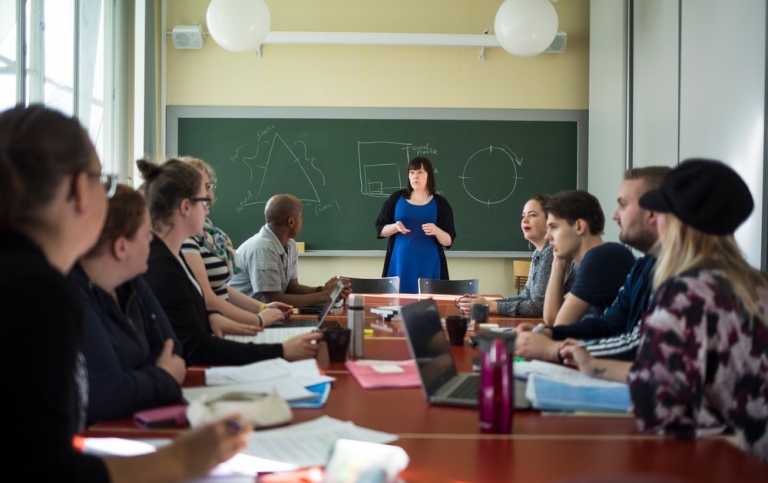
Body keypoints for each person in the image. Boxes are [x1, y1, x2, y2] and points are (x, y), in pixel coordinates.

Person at [0, 104, 249, 482]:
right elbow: (44, 469)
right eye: (106, 182)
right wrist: (181, 461)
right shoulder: (38, 290)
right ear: (79, 191)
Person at [560, 159, 768, 463]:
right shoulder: (755, 284)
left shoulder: (686, 292)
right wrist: (593, 365)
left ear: (673, 220)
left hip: (733, 464)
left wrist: (597, 366)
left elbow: (660, 410)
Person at [139, 160, 322, 365]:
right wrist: (280, 350)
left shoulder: (173, 257)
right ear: (185, 207)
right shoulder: (162, 265)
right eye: (205, 203)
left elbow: (196, 311)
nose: (209, 210)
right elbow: (196, 346)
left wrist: (210, 318)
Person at [515, 167, 670, 362]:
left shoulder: (604, 257)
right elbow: (608, 325)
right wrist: (551, 335)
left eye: (623, 205)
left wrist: (554, 348)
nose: (614, 215)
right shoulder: (644, 265)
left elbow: (637, 345)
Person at [75, 184, 185, 424]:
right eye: (147, 233)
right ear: (122, 247)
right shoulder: (74, 295)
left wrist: (134, 381)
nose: (151, 240)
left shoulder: (133, 282)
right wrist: (162, 375)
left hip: (133, 420)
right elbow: (108, 394)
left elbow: (172, 348)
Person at [178, 156, 291, 332]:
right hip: (207, 331)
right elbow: (207, 299)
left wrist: (262, 308)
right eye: (205, 187)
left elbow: (221, 289)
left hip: (222, 326)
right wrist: (258, 319)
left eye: (211, 187)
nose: (210, 194)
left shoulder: (206, 233)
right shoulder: (184, 238)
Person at [458, 195, 577, 317]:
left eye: (532, 215)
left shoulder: (551, 252)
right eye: (523, 216)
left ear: (550, 221)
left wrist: (492, 306)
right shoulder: (539, 252)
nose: (525, 220)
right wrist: (488, 303)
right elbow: (526, 296)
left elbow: (538, 307)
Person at [229, 193, 351, 308]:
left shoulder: (290, 244)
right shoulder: (262, 248)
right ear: (291, 221)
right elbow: (274, 299)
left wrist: (322, 290)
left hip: (267, 315)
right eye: (300, 217)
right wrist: (324, 296)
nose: (302, 221)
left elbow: (291, 287)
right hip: (244, 319)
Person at [542, 190, 636, 325]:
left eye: (554, 227)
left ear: (579, 226)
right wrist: (559, 262)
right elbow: (552, 319)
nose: (547, 236)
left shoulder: (601, 258)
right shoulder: (600, 255)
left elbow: (560, 327)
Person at [375, 156, 457, 294]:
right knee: (396, 306)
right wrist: (395, 227)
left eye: (420, 172)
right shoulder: (396, 198)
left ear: (429, 175)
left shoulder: (441, 203)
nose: (415, 177)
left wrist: (437, 231)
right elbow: (380, 229)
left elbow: (448, 240)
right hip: (399, 262)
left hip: (430, 264)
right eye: (412, 173)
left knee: (429, 307)